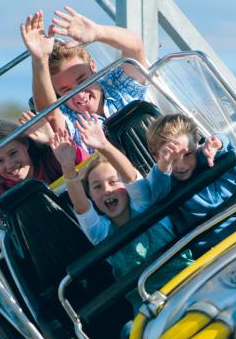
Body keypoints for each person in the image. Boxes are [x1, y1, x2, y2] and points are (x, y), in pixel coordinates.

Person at [51, 112, 191, 308]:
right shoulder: (100, 233)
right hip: (149, 303)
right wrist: (67, 166)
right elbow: (81, 207)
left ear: (125, 187)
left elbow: (131, 176)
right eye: (97, 187)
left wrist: (104, 146)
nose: (107, 190)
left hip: (187, 280)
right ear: (91, 195)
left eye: (113, 182)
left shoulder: (144, 204)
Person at [20, 8, 149, 153]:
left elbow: (135, 47)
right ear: (56, 92)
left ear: (92, 66)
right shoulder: (67, 117)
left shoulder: (117, 84)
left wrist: (98, 32)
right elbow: (49, 114)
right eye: (66, 91)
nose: (80, 96)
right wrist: (39, 60)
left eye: (82, 82)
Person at [0, 115, 85, 238]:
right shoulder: (0, 197)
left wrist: (51, 140)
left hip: (81, 228)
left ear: (25, 144)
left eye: (13, 153)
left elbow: (82, 165)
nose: (10, 164)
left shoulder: (50, 163)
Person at [144, 114, 236, 253]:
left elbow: (222, 142)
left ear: (196, 144)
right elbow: (156, 185)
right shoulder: (164, 182)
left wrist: (217, 144)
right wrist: (164, 166)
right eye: (172, 159)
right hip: (215, 248)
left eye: (187, 154)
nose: (181, 165)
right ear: (157, 159)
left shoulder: (205, 156)